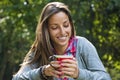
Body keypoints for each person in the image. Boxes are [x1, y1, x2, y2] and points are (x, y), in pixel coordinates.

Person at [12, 2, 111, 80]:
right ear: (46, 30)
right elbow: (17, 78)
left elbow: (106, 78)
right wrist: (43, 72)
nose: (62, 32)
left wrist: (78, 74)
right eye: (55, 27)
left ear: (71, 25)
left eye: (66, 25)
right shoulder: (39, 50)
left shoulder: (83, 45)